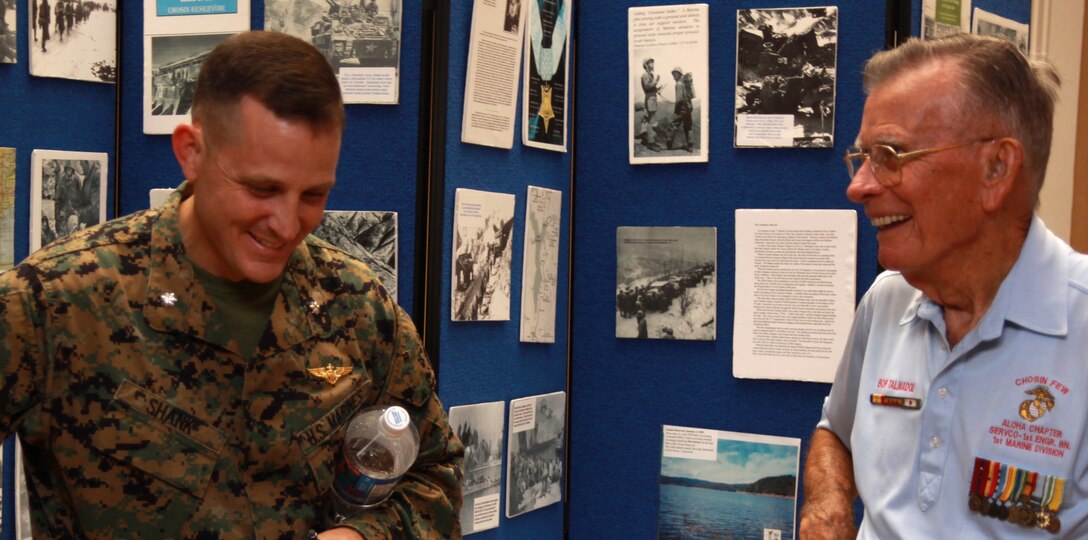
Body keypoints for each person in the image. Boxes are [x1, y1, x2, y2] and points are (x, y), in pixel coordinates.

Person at [0, 31, 462, 539]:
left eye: (313, 194)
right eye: (261, 189)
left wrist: (359, 537)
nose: (287, 225)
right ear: (191, 152)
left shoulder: (357, 307)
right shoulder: (56, 301)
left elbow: (434, 477)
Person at [799, 34, 1088, 538]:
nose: (858, 185)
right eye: (862, 157)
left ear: (996, 168)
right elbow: (836, 434)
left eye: (890, 155)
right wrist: (828, 501)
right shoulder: (887, 302)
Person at [639, 57, 663, 151]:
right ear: (646, 65)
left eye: (653, 62)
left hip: (651, 98)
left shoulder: (649, 75)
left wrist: (657, 89)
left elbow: (651, 88)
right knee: (651, 121)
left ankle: (648, 140)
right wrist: (656, 81)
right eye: (650, 63)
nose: (653, 64)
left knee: (650, 120)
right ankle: (650, 143)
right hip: (650, 99)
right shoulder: (645, 75)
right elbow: (647, 86)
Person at [668, 66, 693, 152]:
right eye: (673, 73)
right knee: (688, 127)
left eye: (675, 73)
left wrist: (676, 110)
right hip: (688, 108)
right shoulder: (685, 83)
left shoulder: (678, 84)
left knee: (673, 124)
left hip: (681, 109)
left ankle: (669, 144)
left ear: (679, 74)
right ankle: (690, 146)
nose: (673, 75)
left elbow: (679, 100)